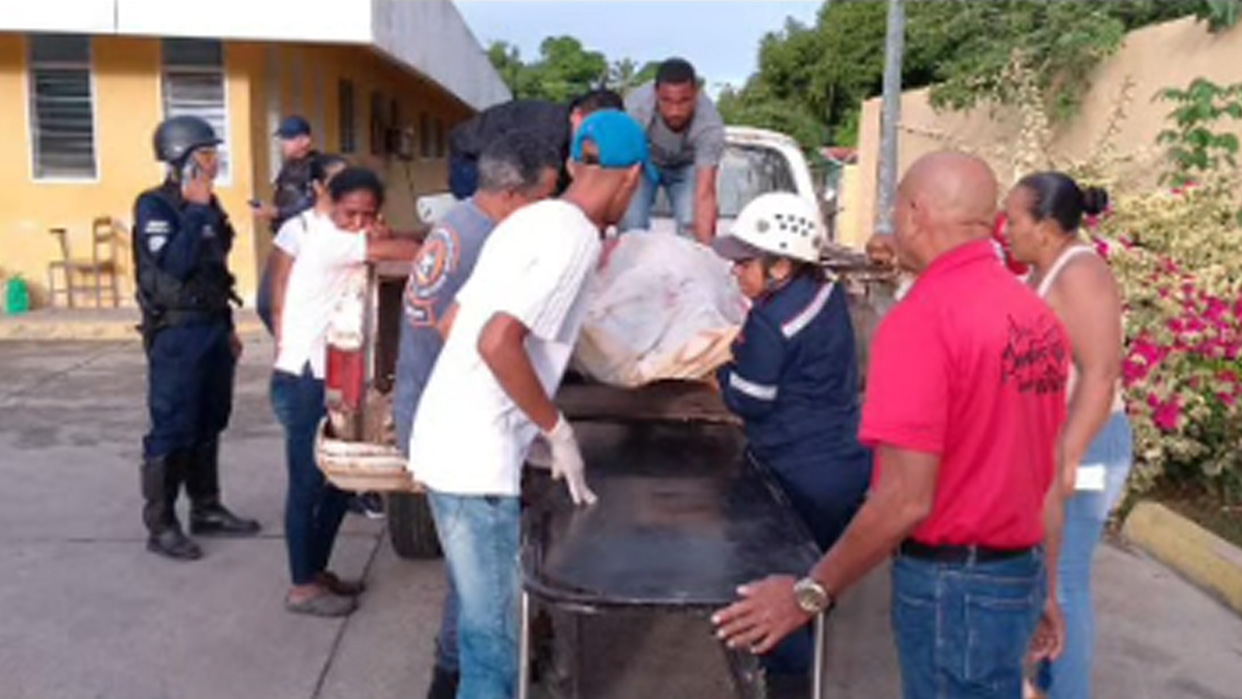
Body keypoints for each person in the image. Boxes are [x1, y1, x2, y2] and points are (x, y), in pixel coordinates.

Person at [712, 152, 1073, 699]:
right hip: (1016, 573)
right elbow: (1043, 468)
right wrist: (1045, 585)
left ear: (914, 212)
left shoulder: (923, 319)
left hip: (953, 588)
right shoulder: (1035, 316)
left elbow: (904, 499)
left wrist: (809, 594)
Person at [408, 110, 653, 698]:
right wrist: (555, 427)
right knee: (496, 653)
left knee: (478, 632)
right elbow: (497, 341)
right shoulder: (573, 238)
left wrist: (511, 411)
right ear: (634, 176)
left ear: (572, 164)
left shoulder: (530, 219)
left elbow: (454, 321)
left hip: (442, 443)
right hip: (476, 467)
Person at [392, 133, 562, 699]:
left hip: (421, 403)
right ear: (514, 194)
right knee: (481, 581)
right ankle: (451, 678)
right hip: (454, 425)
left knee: (474, 573)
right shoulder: (492, 241)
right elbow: (460, 334)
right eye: (545, 197)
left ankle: (454, 673)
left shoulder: (458, 221)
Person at [710, 191, 872, 691]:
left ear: (780, 267)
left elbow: (751, 399)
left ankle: (789, 679)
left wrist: (721, 371)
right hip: (845, 463)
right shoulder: (827, 295)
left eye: (745, 262)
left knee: (780, 589)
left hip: (795, 473)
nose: (736, 271)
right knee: (818, 571)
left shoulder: (769, 321)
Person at [271, 166, 420, 617]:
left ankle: (316, 571)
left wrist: (381, 232)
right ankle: (301, 586)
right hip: (303, 379)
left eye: (367, 215)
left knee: (339, 481)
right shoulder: (325, 239)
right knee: (306, 485)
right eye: (349, 213)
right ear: (328, 202)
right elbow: (410, 253)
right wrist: (384, 235)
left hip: (325, 374)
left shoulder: (335, 233)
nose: (357, 222)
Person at [1004, 173, 1129, 699]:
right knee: (1042, 583)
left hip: (1088, 444)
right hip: (1058, 444)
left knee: (1064, 584)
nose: (1004, 229)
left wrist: (1069, 456)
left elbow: (1101, 374)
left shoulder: (1081, 273)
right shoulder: (1044, 269)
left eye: (1013, 220)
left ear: (1049, 227)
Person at [133, 115, 262, 561]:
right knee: (173, 427)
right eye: (206, 154)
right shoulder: (155, 208)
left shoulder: (209, 204)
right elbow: (177, 263)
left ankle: (205, 508)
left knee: (211, 420)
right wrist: (196, 210)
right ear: (181, 160)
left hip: (210, 327)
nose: (215, 161)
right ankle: (162, 524)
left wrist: (228, 330)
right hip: (177, 334)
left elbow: (215, 271)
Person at [447, 89, 624, 199]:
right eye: (597, 128)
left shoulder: (571, 136)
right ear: (576, 116)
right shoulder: (547, 132)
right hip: (469, 157)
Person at [621, 57, 725, 244]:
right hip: (644, 164)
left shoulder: (710, 125)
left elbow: (705, 191)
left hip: (687, 167)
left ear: (695, 93)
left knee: (691, 224)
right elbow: (623, 169)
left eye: (683, 101)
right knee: (631, 223)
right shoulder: (635, 108)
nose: (675, 111)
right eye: (667, 101)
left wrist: (707, 255)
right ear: (656, 93)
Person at [265, 153, 349, 347]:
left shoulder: (360, 227)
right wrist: (282, 336)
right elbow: (279, 287)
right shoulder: (296, 230)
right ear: (318, 187)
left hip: (345, 335)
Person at [256, 115, 320, 332]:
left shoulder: (316, 168)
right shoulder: (289, 167)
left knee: (272, 301)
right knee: (269, 303)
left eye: (289, 138)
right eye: (283, 139)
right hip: (285, 242)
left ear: (305, 141)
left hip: (304, 245)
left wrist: (277, 212)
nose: (283, 144)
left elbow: (315, 205)